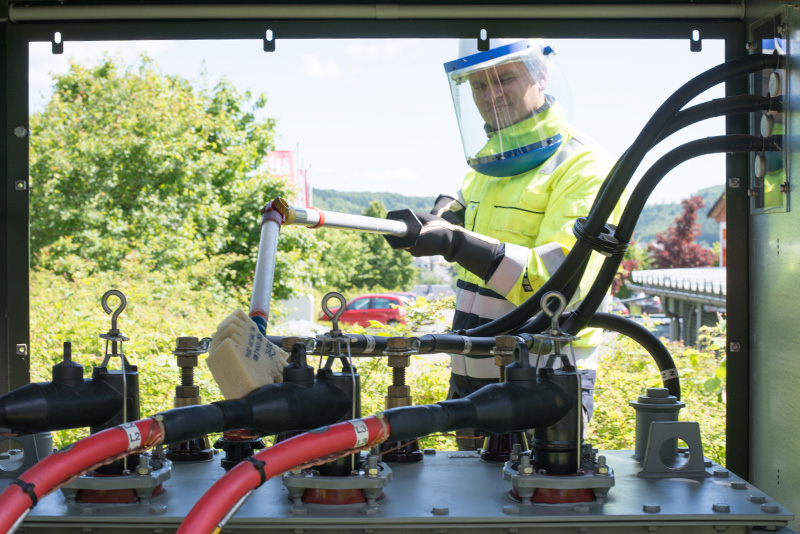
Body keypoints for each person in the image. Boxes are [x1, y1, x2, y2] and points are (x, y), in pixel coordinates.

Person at [386, 38, 624, 447]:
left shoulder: (584, 165)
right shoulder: (490, 162)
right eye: (478, 85)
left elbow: (557, 285)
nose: (491, 94)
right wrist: (450, 214)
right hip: (470, 375)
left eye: (505, 78)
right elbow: (472, 222)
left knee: (537, 503)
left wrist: (457, 244)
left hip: (540, 379)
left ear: (541, 74)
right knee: (466, 505)